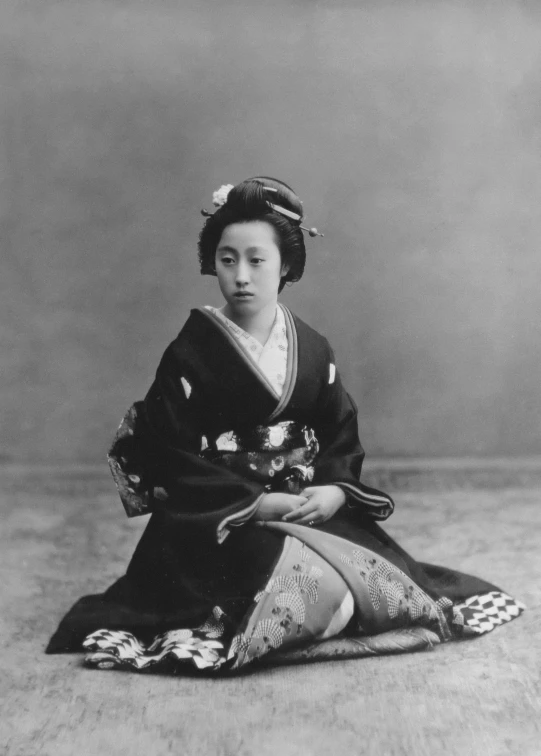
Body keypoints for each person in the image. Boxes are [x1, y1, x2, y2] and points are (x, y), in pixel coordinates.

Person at [47, 177, 524, 673]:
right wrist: (252, 503)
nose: (241, 276)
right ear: (212, 263)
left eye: (257, 260)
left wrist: (335, 492)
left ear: (286, 265)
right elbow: (170, 452)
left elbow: (339, 430)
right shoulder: (190, 353)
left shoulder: (313, 349)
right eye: (227, 259)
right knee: (296, 582)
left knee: (374, 577)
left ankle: (314, 615)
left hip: (303, 505)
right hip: (224, 516)